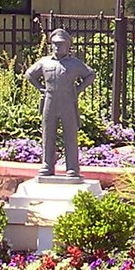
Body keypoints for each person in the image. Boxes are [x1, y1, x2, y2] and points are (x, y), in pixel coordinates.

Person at [24, 28, 96, 177]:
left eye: (61, 44)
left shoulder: (74, 63)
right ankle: (47, 165)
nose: (57, 47)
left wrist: (78, 89)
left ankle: (72, 167)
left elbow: (90, 75)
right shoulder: (45, 62)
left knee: (70, 134)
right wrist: (41, 89)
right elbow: (29, 74)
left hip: (68, 102)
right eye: (55, 44)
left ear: (68, 46)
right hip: (50, 101)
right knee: (48, 133)